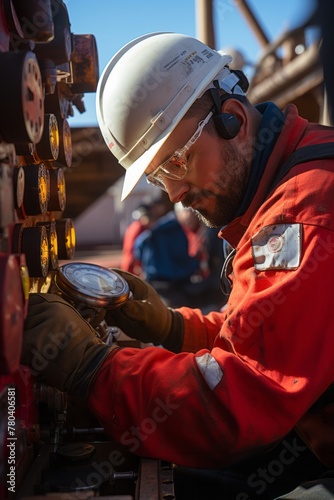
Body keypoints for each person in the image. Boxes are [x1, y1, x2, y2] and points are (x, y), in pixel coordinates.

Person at [22, 32, 334, 499]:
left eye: (176, 163)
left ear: (232, 120)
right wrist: (172, 327)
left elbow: (236, 404)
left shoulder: (303, 216)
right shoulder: (293, 178)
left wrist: (92, 368)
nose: (173, 194)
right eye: (156, 176)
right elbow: (258, 339)